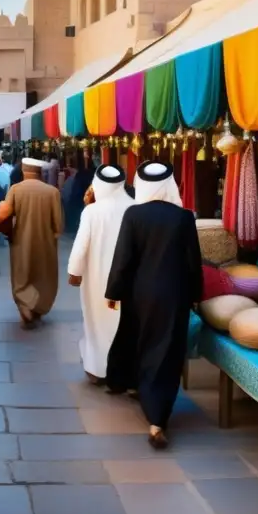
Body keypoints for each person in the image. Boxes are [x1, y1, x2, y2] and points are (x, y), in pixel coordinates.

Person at [105, 162, 203, 449]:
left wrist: (114, 292)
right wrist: (196, 295)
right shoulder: (183, 217)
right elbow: (192, 263)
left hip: (140, 294)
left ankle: (145, 395)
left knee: (143, 342)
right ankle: (158, 418)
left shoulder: (134, 214)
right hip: (175, 294)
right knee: (167, 350)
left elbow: (123, 258)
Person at [67, 165, 133, 384]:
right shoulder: (135, 206)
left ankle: (97, 368)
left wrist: (74, 272)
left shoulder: (92, 211)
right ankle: (122, 369)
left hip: (96, 278)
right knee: (122, 322)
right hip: (126, 278)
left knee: (97, 321)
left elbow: (81, 245)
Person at [0, 157, 62, 328]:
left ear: (24, 171)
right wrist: (54, 235)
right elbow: (58, 224)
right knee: (44, 275)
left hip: (20, 239)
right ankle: (38, 309)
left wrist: (7, 232)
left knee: (22, 273)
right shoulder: (52, 191)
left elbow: (4, 214)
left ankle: (25, 305)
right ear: (40, 172)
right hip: (46, 241)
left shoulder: (15, 189)